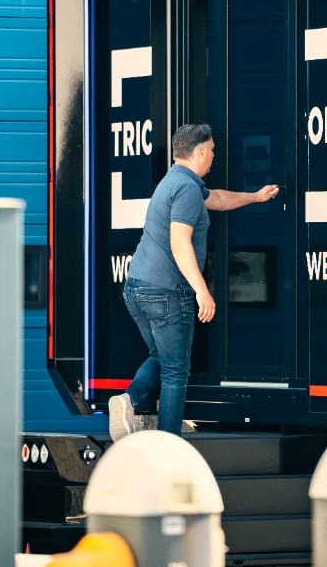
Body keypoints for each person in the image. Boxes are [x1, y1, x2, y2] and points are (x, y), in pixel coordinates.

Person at [109, 124, 279, 439]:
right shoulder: (186, 189)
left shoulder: (176, 182)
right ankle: (167, 441)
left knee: (161, 356)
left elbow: (219, 199)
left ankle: (127, 400)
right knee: (176, 372)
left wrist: (256, 197)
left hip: (137, 288)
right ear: (200, 150)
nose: (214, 155)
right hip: (166, 292)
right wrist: (203, 292)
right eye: (212, 149)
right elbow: (180, 242)